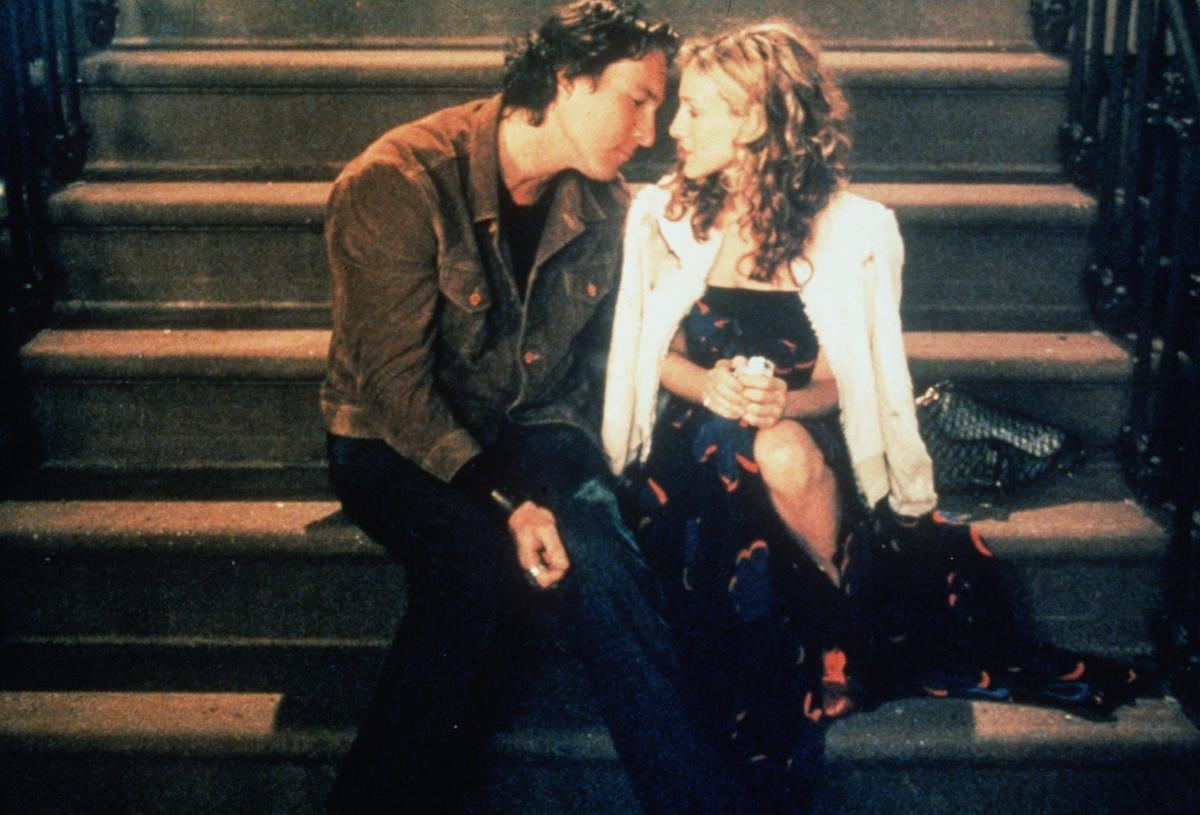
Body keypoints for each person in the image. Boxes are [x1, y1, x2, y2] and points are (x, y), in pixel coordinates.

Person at [602, 22, 1140, 814]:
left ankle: (831, 632)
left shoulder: (855, 230)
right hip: (693, 431)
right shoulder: (662, 214)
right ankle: (823, 648)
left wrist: (784, 402)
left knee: (783, 452)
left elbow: (848, 381)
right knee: (735, 451)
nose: (672, 128)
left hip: (806, 431)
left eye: (695, 110)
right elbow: (651, 354)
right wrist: (709, 386)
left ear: (751, 121)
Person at [319, 2, 764, 813]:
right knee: (476, 565)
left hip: (534, 428)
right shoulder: (399, 180)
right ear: (567, 80)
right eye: (637, 100)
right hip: (399, 444)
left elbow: (616, 350)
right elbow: (393, 391)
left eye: (662, 108)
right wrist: (507, 502)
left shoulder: (607, 206)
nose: (651, 131)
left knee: (598, 547)